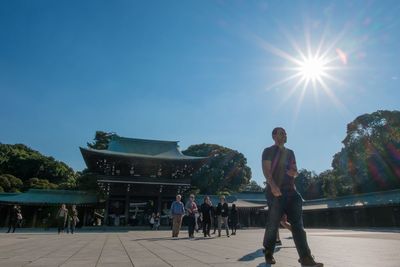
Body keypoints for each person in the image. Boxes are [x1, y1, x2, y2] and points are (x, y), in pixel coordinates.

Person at [262, 127, 323, 266]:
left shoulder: (290, 153)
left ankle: (306, 258)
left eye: (285, 133)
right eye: (281, 133)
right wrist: (272, 185)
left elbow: (295, 171)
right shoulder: (268, 151)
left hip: (291, 192)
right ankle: (268, 252)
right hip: (275, 191)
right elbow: (266, 170)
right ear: (274, 136)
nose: (284, 135)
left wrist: (293, 172)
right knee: (273, 224)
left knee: (298, 225)